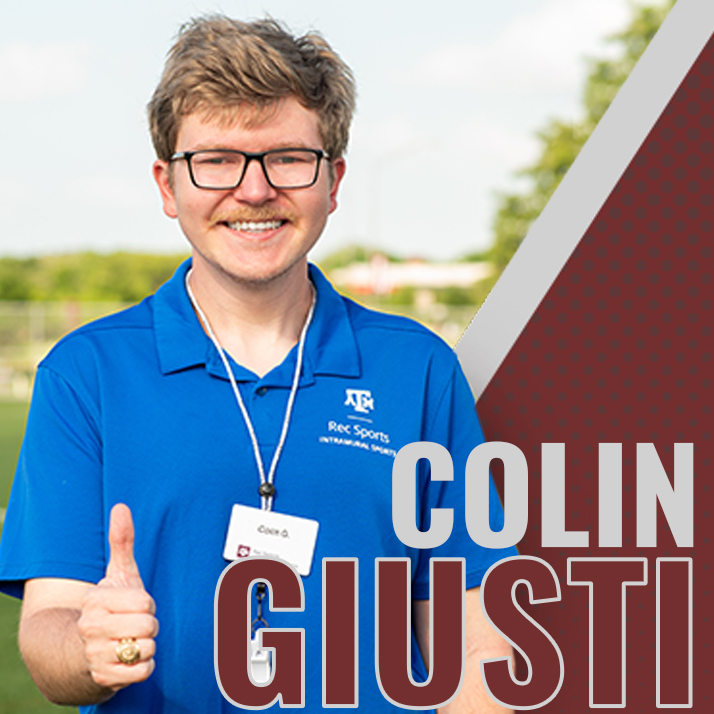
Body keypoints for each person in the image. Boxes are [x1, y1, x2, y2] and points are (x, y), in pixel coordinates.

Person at [0, 15, 517, 713]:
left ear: (333, 181)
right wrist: (91, 645)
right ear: (166, 185)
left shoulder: (419, 371)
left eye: (288, 159)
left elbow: (473, 639)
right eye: (216, 159)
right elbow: (49, 632)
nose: (253, 190)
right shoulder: (85, 374)